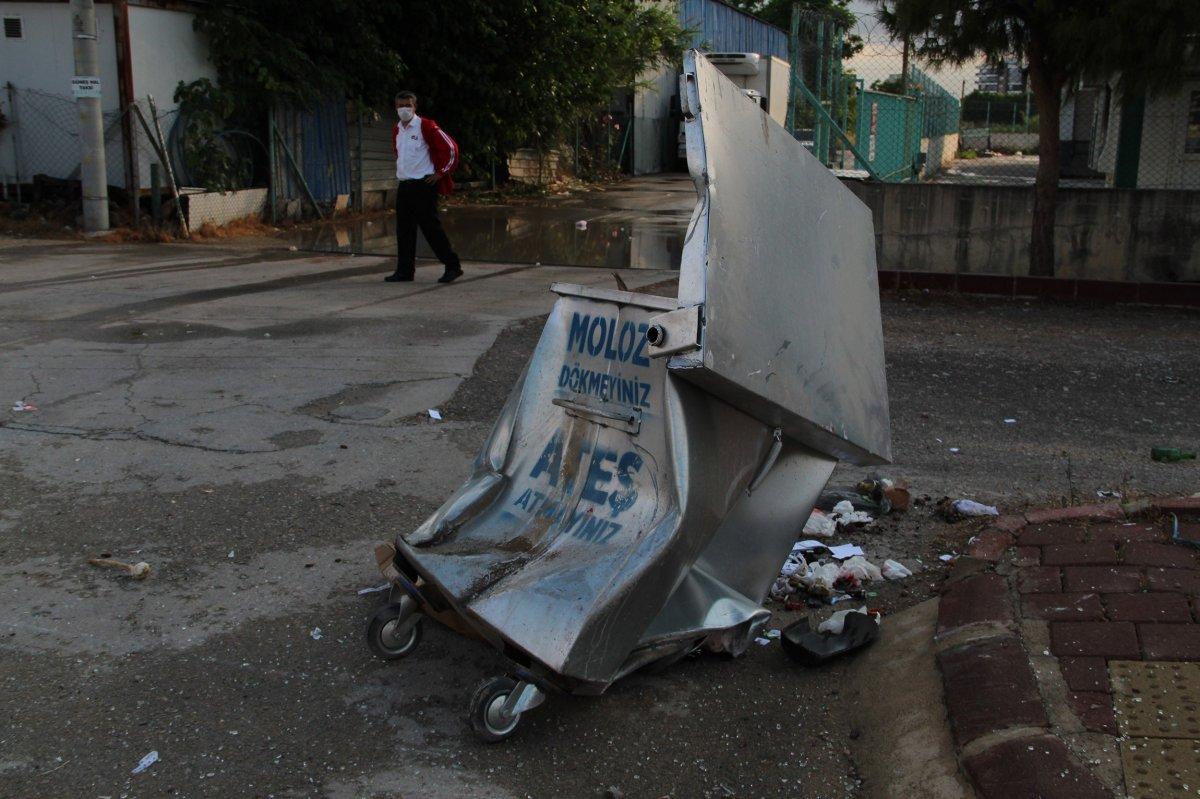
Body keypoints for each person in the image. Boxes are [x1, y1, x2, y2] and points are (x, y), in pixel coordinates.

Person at [386, 90, 463, 284]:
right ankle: (405, 271)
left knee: (431, 229)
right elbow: (399, 154)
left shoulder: (426, 126)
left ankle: (452, 266)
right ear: (395, 107)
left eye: (408, 105)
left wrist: (441, 172)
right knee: (404, 230)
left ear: (415, 107)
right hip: (405, 185)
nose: (404, 109)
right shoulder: (397, 130)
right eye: (400, 105)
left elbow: (451, 149)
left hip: (424, 185)